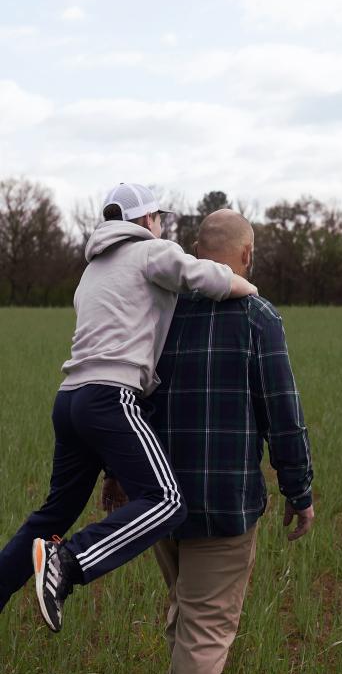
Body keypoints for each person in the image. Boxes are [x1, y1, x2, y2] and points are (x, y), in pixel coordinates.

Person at [104, 209, 314, 674]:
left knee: (189, 619)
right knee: (204, 634)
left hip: (159, 503)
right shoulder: (257, 316)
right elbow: (283, 414)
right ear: (246, 256)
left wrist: (115, 478)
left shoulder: (162, 314)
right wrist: (300, 490)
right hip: (226, 508)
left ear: (197, 252)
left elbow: (125, 398)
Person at [0, 184, 257, 630]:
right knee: (167, 500)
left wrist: (112, 469)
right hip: (110, 396)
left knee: (55, 513)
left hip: (71, 400)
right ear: (145, 221)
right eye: (158, 218)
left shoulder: (92, 272)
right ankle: (68, 563)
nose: (162, 226)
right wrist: (250, 288)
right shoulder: (151, 252)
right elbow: (209, 276)